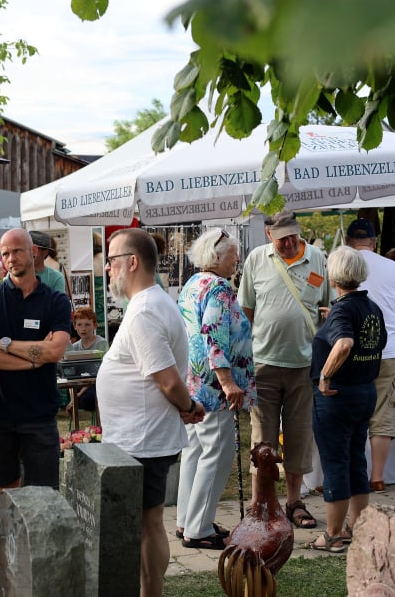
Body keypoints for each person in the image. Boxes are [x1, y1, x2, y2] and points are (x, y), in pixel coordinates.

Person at [96, 228, 205, 597]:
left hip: (143, 439)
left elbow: (169, 381)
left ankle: (151, 592)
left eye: (111, 260)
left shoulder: (144, 310)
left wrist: (189, 407)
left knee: (149, 525)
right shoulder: (149, 303)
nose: (107, 268)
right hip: (140, 436)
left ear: (131, 262)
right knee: (148, 524)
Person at [237, 210, 331, 530]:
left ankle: (294, 502)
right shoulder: (256, 259)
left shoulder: (317, 258)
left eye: (293, 236)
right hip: (264, 363)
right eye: (281, 239)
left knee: (298, 435)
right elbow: (246, 308)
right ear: (269, 236)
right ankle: (259, 505)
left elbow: (327, 304)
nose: (289, 243)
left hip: (304, 364)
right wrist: (255, 346)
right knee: (262, 439)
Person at [0, 228, 71, 502]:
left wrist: (3, 343)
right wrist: (33, 361)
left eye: (17, 251)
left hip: (39, 412)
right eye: (5, 254)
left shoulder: (56, 300)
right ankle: (7, 534)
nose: (11, 258)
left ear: (33, 252)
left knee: (44, 496)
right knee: (6, 492)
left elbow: (55, 350)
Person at [175, 229, 256, 550]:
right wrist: (228, 382)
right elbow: (214, 335)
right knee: (217, 453)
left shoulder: (193, 283)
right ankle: (199, 528)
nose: (237, 259)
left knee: (195, 451)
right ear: (218, 256)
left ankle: (187, 520)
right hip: (213, 386)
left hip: (193, 381)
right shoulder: (219, 288)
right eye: (233, 254)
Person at [310, 246, 386, 553]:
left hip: (337, 396)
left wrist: (325, 375)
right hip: (364, 392)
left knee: (335, 462)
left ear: (333, 276)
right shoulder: (371, 307)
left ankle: (333, 534)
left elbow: (344, 343)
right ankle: (357, 527)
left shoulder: (343, 310)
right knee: (356, 459)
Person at [345, 219, 395, 494]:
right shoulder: (392, 266)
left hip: (350, 348)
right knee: (382, 412)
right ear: (374, 242)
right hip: (387, 350)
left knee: (350, 411)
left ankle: (351, 474)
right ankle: (377, 477)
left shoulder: (341, 263)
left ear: (348, 241)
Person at [64, 307, 108, 415]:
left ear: (95, 326)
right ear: (75, 326)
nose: (83, 328)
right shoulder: (75, 347)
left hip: (96, 383)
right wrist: (73, 398)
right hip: (78, 384)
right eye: (79, 325)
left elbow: (97, 373)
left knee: (87, 399)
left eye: (87, 325)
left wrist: (78, 396)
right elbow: (71, 375)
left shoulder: (101, 343)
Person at [29, 230, 67, 295]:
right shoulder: (16, 275)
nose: (30, 253)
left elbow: (59, 301)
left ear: (45, 252)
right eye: (27, 249)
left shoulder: (56, 278)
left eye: (35, 249)